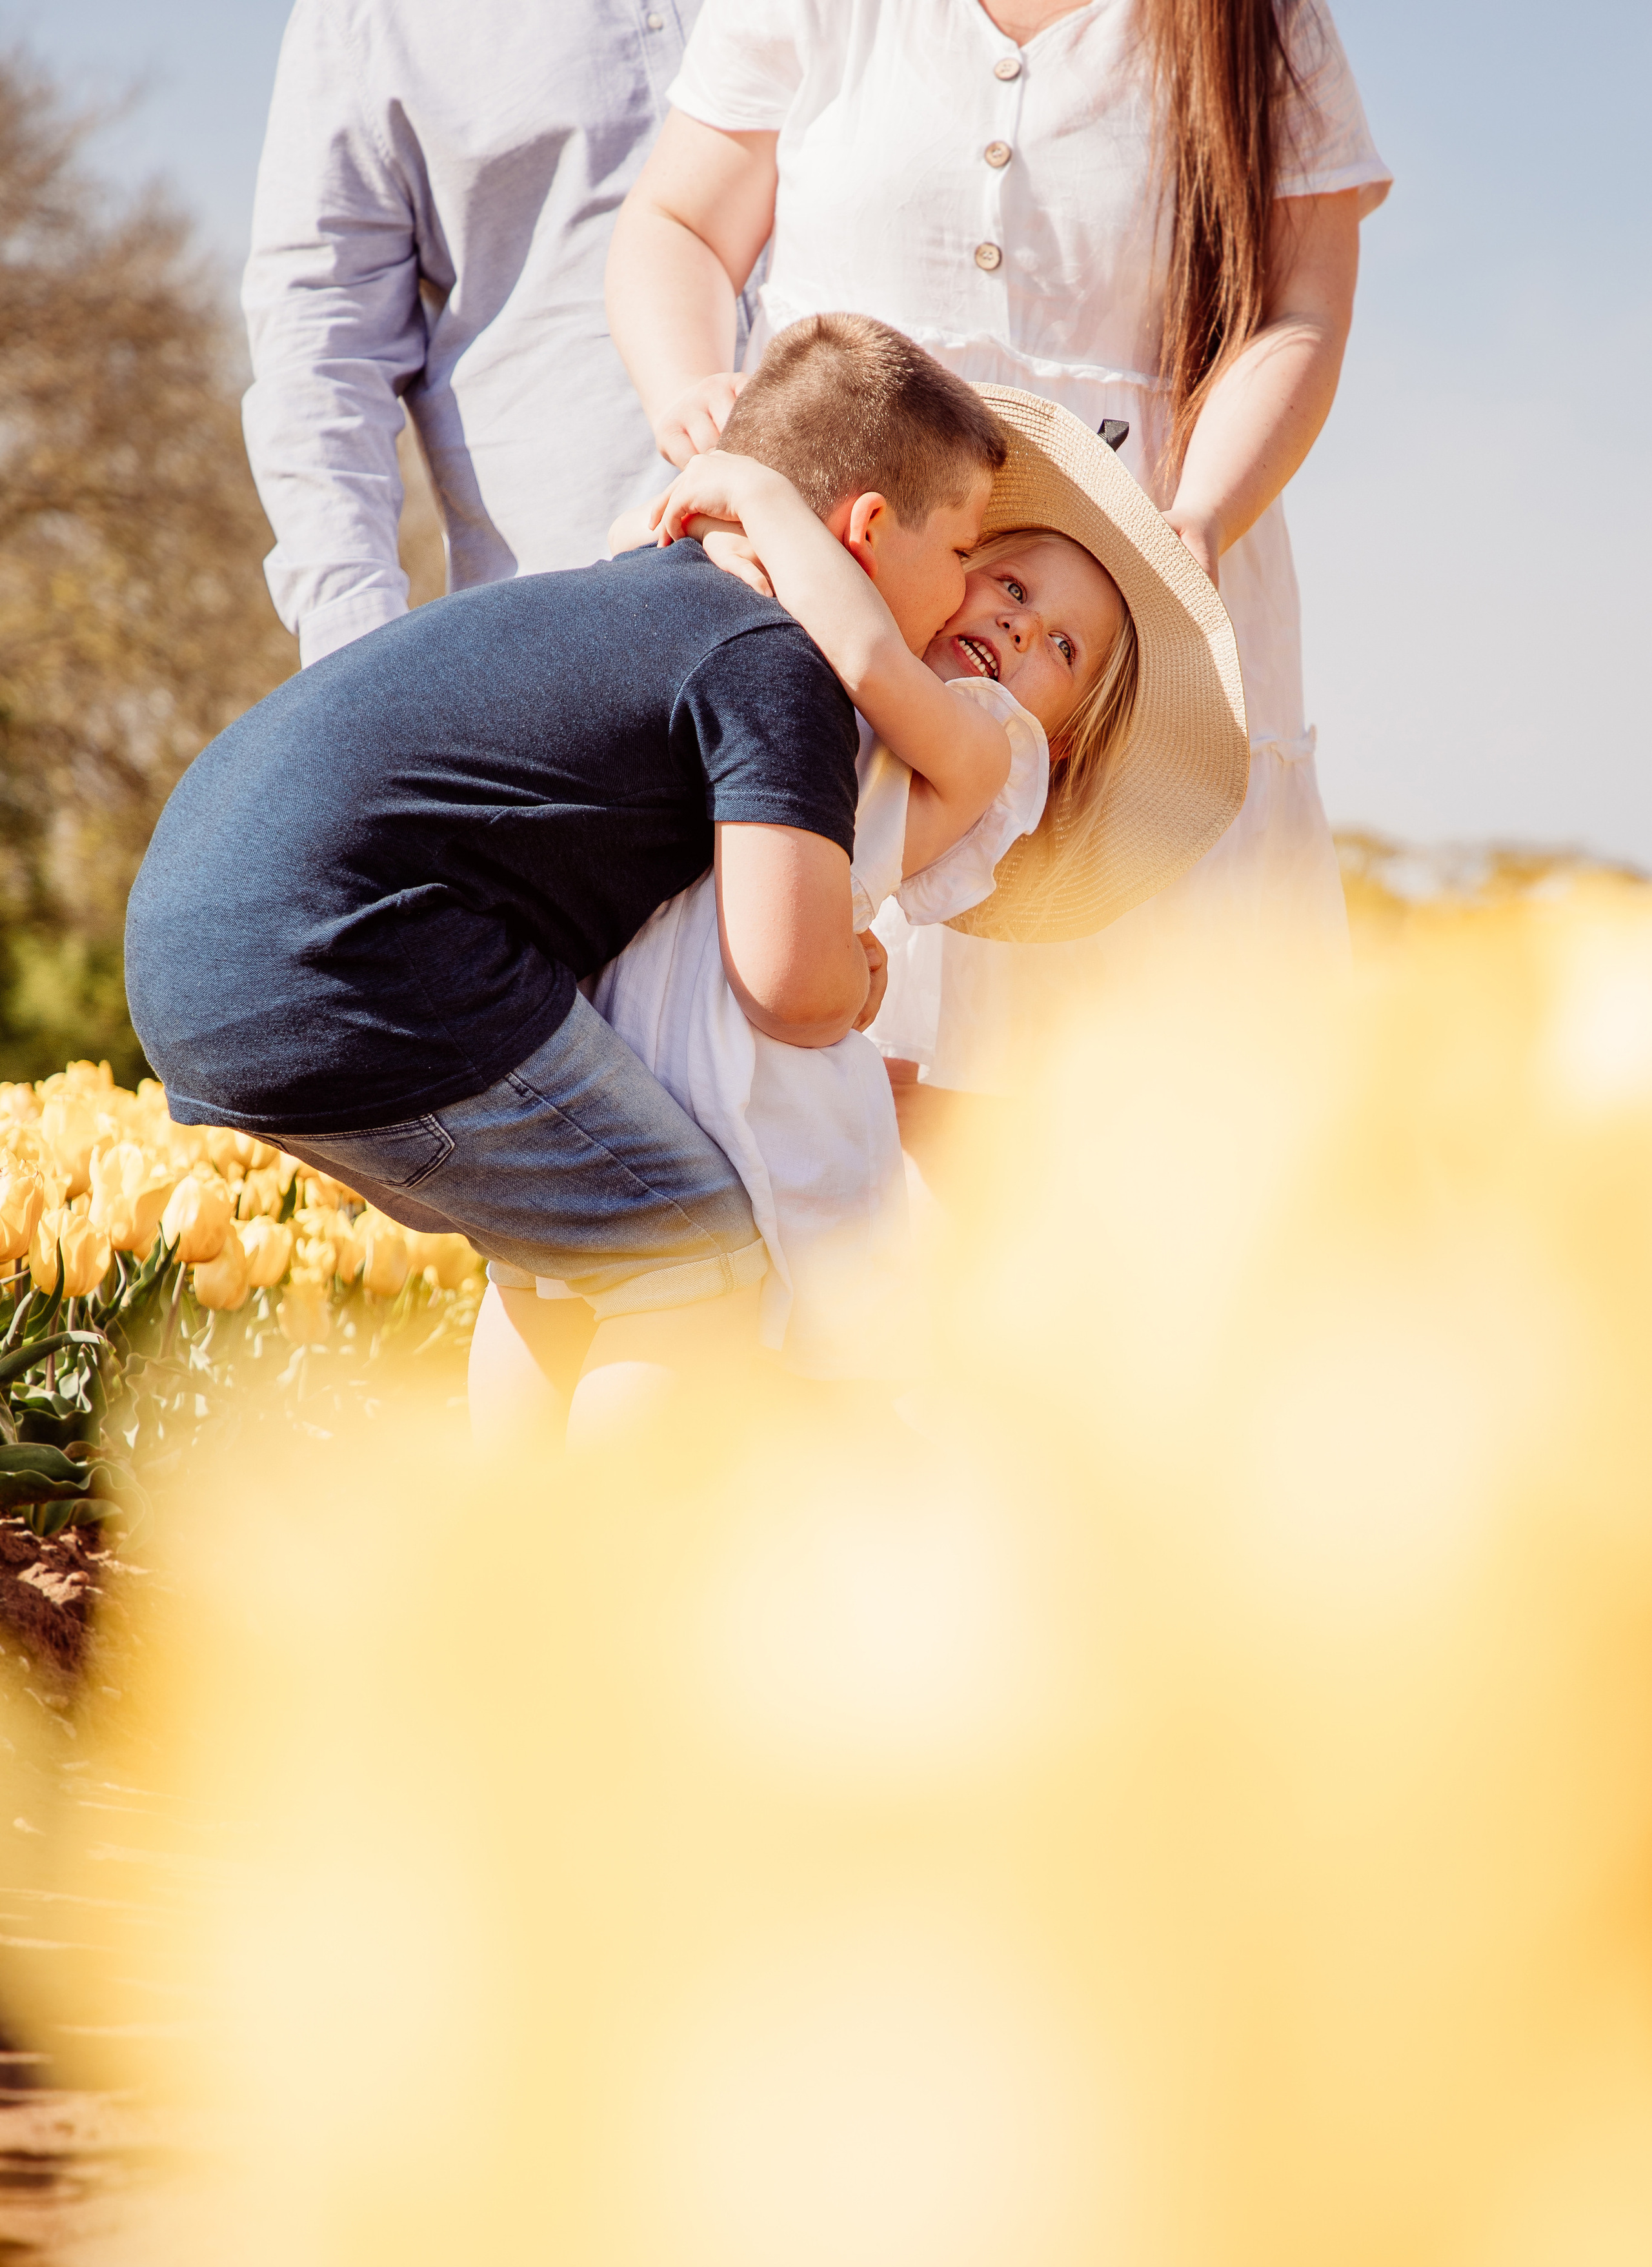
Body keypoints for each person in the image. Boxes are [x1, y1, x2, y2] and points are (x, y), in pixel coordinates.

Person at [121, 323, 1005, 1435]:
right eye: (967, 552)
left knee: (568, 1262)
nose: (971, 596)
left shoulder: (639, 591)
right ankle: (596, 1595)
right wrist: (864, 983)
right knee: (686, 1261)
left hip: (198, 933)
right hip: (345, 956)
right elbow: (790, 984)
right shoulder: (776, 660)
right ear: (868, 529)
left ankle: (508, 1561)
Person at [604, 0, 1392, 1112]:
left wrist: (1202, 512)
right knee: (760, 1065)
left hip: (1128, 610)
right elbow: (678, 221)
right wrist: (691, 387)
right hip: (825, 576)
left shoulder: (1256, 22)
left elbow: (1301, 306)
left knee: (1129, 1128)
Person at [585, 366, 1246, 1384]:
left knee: (695, 1300)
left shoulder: (982, 751)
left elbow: (867, 656)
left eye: (1061, 647)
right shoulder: (809, 639)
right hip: (645, 996)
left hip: (751, 1048)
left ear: (1058, 742)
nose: (1023, 629)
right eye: (1013, 588)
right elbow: (640, 552)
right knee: (546, 1283)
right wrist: (717, 542)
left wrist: (760, 498)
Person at [241, 0, 734, 669]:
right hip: (572, 649)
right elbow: (323, 355)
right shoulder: (368, 21)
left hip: (895, 621)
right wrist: (358, 669)